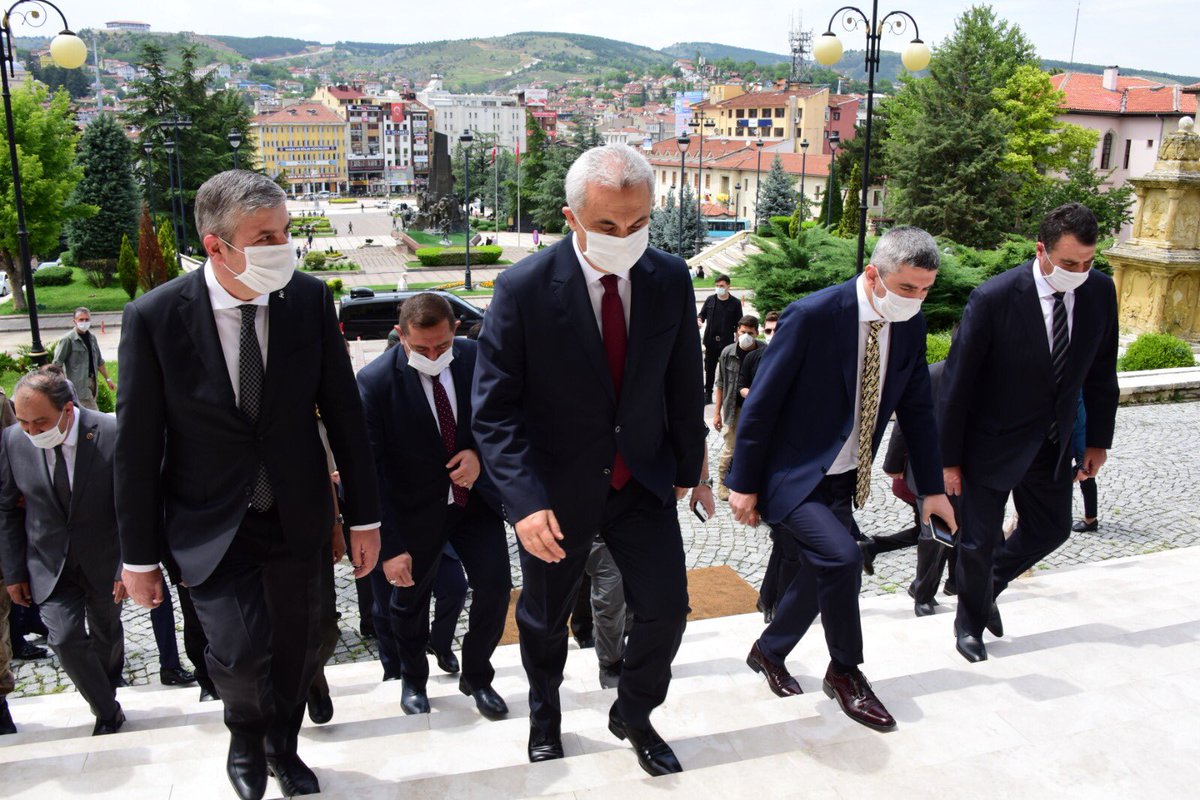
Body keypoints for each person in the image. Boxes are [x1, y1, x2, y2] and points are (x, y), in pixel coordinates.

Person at [115, 170, 381, 800]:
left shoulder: (309, 301)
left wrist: (364, 519)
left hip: (295, 515)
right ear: (217, 245)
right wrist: (138, 557)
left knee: (301, 646)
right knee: (238, 651)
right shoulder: (154, 318)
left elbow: (344, 414)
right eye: (266, 236)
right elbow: (136, 447)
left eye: (285, 231)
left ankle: (282, 747)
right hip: (210, 521)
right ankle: (244, 734)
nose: (283, 246)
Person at [473, 144, 705, 776]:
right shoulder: (521, 289)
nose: (625, 237)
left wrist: (694, 468)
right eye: (608, 226)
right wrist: (523, 503)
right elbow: (494, 411)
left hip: (640, 482)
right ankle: (544, 714)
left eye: (638, 223)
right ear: (571, 217)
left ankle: (634, 710)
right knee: (545, 619)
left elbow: (684, 380)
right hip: (555, 493)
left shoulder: (669, 278)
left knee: (666, 609)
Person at [727, 227, 956, 732]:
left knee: (827, 565)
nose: (916, 299)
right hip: (789, 474)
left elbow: (918, 411)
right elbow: (761, 404)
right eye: (907, 288)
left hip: (843, 476)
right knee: (843, 557)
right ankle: (845, 672)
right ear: (873, 275)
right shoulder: (812, 316)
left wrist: (933, 491)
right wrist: (741, 483)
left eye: (925, 289)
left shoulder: (910, 326)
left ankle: (769, 650)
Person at [940, 202, 1118, 663]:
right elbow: (958, 385)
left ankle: (986, 587)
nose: (1079, 272)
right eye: (1068, 263)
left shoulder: (1099, 292)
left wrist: (1097, 440)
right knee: (977, 541)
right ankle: (969, 626)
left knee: (1052, 529)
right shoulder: (994, 298)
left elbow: (1101, 372)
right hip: (990, 445)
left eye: (1088, 262)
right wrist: (948, 460)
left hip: (1053, 444)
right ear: (1041, 250)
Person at [358, 292, 512, 720]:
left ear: (455, 330)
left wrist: (479, 456)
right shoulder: (375, 382)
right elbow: (369, 471)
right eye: (421, 348)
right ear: (401, 336)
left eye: (441, 346)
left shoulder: (474, 358)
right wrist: (389, 545)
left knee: (496, 587)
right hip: (412, 514)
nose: (433, 354)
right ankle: (413, 678)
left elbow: (501, 421)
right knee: (408, 603)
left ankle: (477, 675)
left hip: (473, 503)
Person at [0, 366, 127, 736]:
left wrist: (127, 564)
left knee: (107, 633)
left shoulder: (112, 432)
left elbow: (133, 504)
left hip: (104, 558)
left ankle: (106, 688)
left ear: (67, 410)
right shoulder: (12, 440)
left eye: (40, 423)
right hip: (48, 562)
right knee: (64, 638)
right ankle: (107, 709)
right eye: (24, 423)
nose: (31, 432)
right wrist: (14, 572)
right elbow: (7, 508)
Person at [713, 314, 760, 501]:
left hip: (756, 409)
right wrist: (716, 413)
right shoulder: (727, 353)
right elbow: (721, 384)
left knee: (754, 448)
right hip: (734, 409)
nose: (746, 336)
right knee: (730, 448)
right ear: (736, 332)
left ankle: (748, 484)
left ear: (757, 333)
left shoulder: (763, 351)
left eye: (750, 332)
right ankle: (722, 483)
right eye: (742, 332)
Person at [53, 307, 115, 411]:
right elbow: (57, 364)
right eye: (81, 320)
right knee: (95, 416)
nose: (84, 322)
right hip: (78, 386)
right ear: (74, 321)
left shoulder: (92, 338)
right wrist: (63, 385)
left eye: (87, 319)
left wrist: (108, 379)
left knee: (84, 417)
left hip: (92, 383)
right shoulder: (68, 339)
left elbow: (99, 361)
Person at [697, 274, 742, 404]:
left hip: (726, 343)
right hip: (711, 341)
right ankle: (708, 393)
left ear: (728, 286)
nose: (719, 288)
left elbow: (738, 324)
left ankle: (726, 396)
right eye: (717, 286)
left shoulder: (735, 303)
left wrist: (738, 342)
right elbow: (701, 315)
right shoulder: (710, 300)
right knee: (709, 369)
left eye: (721, 286)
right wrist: (699, 320)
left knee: (726, 371)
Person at [1071, 393, 1100, 532]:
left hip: (1078, 431)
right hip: (1079, 430)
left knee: (1086, 473)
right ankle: (1090, 518)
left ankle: (1090, 519)